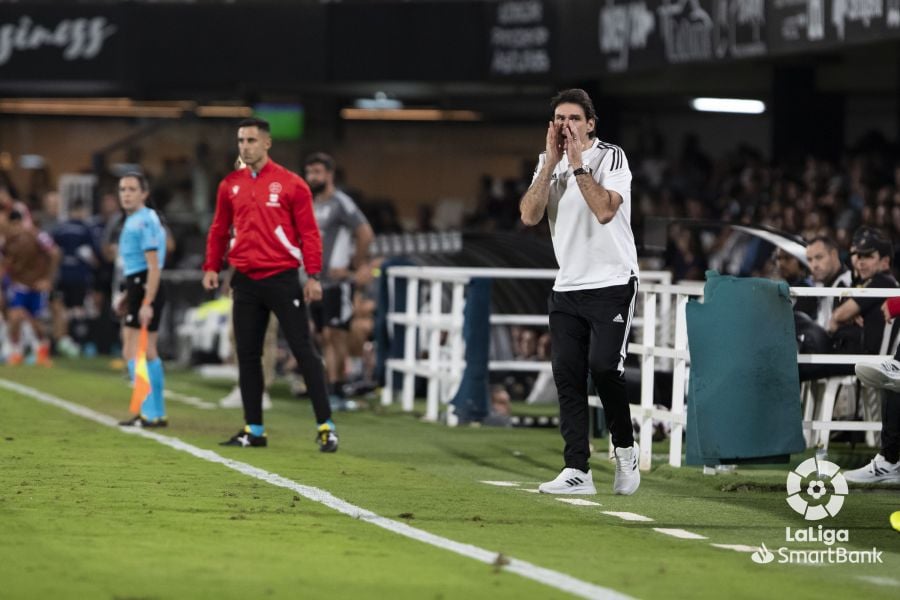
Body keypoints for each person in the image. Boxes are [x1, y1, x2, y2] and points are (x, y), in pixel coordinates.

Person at [519, 88, 640, 496]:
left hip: (612, 281)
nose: (566, 125)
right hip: (568, 285)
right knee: (567, 375)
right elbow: (529, 215)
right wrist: (551, 164)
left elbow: (605, 210)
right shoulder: (547, 163)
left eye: (573, 118)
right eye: (559, 118)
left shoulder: (611, 157)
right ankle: (577, 470)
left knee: (604, 367)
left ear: (590, 123)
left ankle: (625, 448)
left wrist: (576, 165)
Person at [202, 117, 337, 452]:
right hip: (245, 281)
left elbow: (309, 233)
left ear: (266, 143)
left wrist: (313, 275)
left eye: (251, 140)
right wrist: (212, 266)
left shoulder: (292, 184)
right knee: (247, 355)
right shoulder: (230, 185)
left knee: (304, 351)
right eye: (241, 141)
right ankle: (254, 430)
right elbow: (219, 229)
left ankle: (326, 427)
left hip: (282, 278)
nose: (245, 147)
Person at [303, 152, 374, 411]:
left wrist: (356, 264)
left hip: (337, 283)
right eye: (309, 172)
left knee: (336, 334)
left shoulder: (341, 203)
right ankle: (332, 386)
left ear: (330, 175)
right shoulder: (309, 204)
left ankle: (337, 390)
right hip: (315, 281)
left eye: (317, 172)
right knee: (322, 335)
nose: (312, 177)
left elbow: (365, 232)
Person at [115, 172, 168, 427]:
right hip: (139, 285)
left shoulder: (143, 221)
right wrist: (130, 295)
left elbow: (153, 266)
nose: (126, 194)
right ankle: (156, 412)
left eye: (132, 189)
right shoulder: (141, 218)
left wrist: (146, 302)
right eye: (122, 189)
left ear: (144, 193)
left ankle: (148, 412)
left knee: (132, 350)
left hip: (145, 284)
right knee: (148, 351)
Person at [0, 208, 59, 366]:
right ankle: (15, 352)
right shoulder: (6, 242)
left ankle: (42, 351)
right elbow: (5, 263)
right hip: (19, 285)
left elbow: (55, 253)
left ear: (20, 223)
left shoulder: (38, 236)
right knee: (15, 316)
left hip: (36, 284)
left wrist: (48, 279)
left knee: (35, 321)